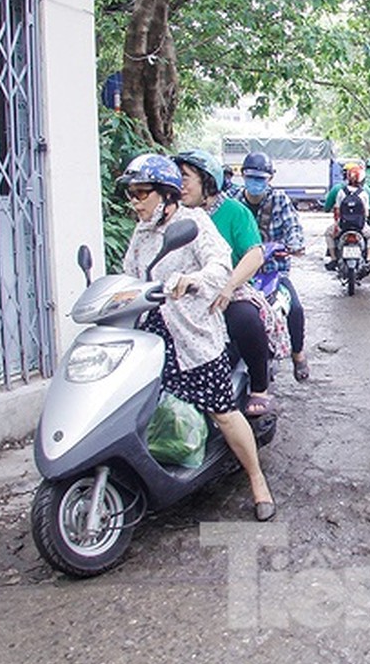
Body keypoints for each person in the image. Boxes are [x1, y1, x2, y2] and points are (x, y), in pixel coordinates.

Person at [118, 153, 275, 521]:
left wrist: (195, 281)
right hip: (151, 335)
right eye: (133, 195)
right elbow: (129, 275)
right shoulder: (142, 233)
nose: (136, 202)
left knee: (222, 410)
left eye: (143, 194)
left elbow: (220, 263)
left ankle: (256, 480)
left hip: (193, 336)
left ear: (166, 194)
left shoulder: (195, 222)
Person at [174, 149, 276, 417]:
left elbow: (254, 254)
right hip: (183, 291)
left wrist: (228, 287)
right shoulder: (175, 214)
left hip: (228, 287)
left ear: (207, 181)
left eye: (185, 177)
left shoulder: (234, 212)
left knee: (245, 319)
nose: (179, 184)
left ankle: (259, 386)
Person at [238, 151, 311, 382]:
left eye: (261, 178)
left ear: (270, 178)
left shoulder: (280, 200)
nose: (256, 183)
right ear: (243, 176)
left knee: (296, 309)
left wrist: (294, 245)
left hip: (273, 273)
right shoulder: (233, 201)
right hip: (241, 275)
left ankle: (298, 354)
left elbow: (294, 228)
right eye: (252, 177)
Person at [323, 162, 370, 268]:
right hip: (360, 226)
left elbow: (334, 210)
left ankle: (333, 259)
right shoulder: (365, 192)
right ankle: (369, 259)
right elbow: (369, 211)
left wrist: (337, 226)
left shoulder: (340, 191)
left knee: (328, 233)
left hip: (343, 225)